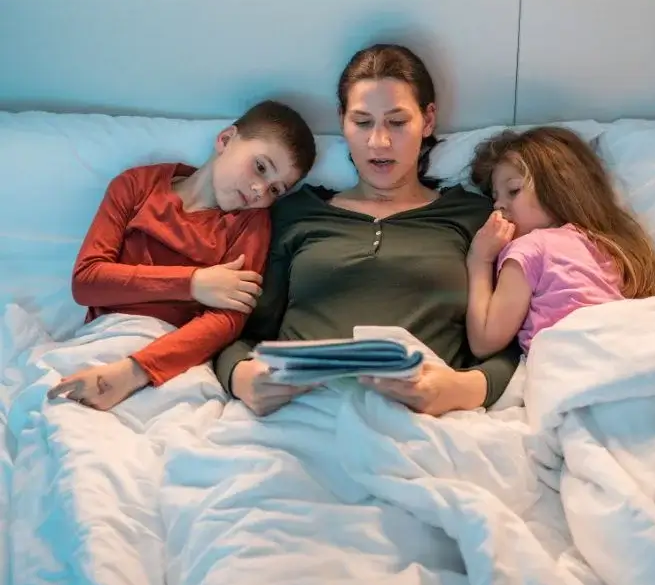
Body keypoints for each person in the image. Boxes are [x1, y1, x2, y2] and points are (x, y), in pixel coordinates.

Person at [215, 44, 521, 418]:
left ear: (427, 121)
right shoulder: (295, 213)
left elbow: (510, 343)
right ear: (342, 121)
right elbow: (234, 328)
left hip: (425, 424)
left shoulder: (476, 218)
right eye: (362, 122)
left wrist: (459, 389)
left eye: (397, 122)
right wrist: (243, 378)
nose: (379, 141)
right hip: (301, 415)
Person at [47, 100, 317, 410]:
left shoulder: (251, 223)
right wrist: (193, 283)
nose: (260, 191)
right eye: (260, 167)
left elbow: (227, 320)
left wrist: (134, 371)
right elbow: (87, 281)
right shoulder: (137, 186)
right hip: (106, 336)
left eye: (276, 190)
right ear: (226, 140)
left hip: (175, 358)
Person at [465, 126, 655, 357]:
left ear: (558, 187)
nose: (498, 206)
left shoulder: (529, 249)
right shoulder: (607, 245)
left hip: (571, 363)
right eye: (495, 197)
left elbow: (485, 342)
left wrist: (479, 259)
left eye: (513, 190)